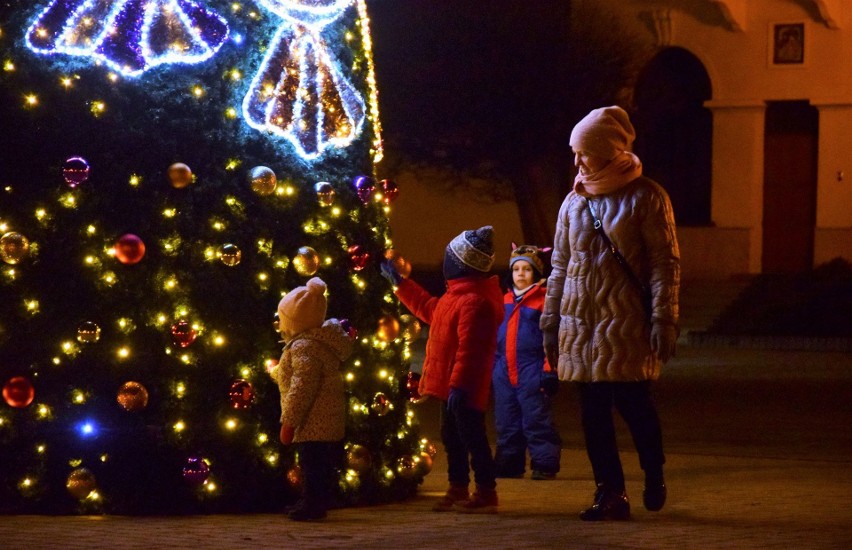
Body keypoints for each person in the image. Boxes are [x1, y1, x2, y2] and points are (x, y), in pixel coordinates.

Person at [540, 105, 680, 521]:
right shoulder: (573, 202)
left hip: (627, 326)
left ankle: (653, 471)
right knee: (593, 415)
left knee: (636, 406)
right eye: (575, 153)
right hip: (581, 327)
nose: (578, 161)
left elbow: (664, 263)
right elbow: (561, 266)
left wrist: (664, 318)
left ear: (607, 150)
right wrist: (550, 322)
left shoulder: (647, 197)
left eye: (585, 152)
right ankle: (610, 493)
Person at [381, 226, 504, 514]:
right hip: (452, 388)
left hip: (463, 389)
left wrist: (460, 389)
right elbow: (428, 308)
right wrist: (400, 284)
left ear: (460, 263)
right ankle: (458, 487)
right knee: (452, 438)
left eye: (448, 256)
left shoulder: (475, 302)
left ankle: (486, 492)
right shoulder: (456, 296)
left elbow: (470, 353)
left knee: (473, 439)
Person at [269, 277, 353, 521]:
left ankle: (313, 504)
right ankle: (313, 499)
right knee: (317, 463)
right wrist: (276, 371)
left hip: (312, 421)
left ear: (294, 322)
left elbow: (302, 386)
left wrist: (289, 422)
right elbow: (296, 374)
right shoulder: (316, 342)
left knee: (311, 464)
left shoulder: (304, 347)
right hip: (323, 419)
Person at [493, 244, 562, 480]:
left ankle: (544, 461)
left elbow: (551, 340)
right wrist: (493, 368)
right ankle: (509, 462)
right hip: (504, 370)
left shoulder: (543, 302)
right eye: (516, 269)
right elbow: (496, 337)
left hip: (531, 369)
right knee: (506, 418)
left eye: (527, 269)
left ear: (536, 273)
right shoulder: (504, 300)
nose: (520, 274)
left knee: (536, 418)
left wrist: (549, 369)